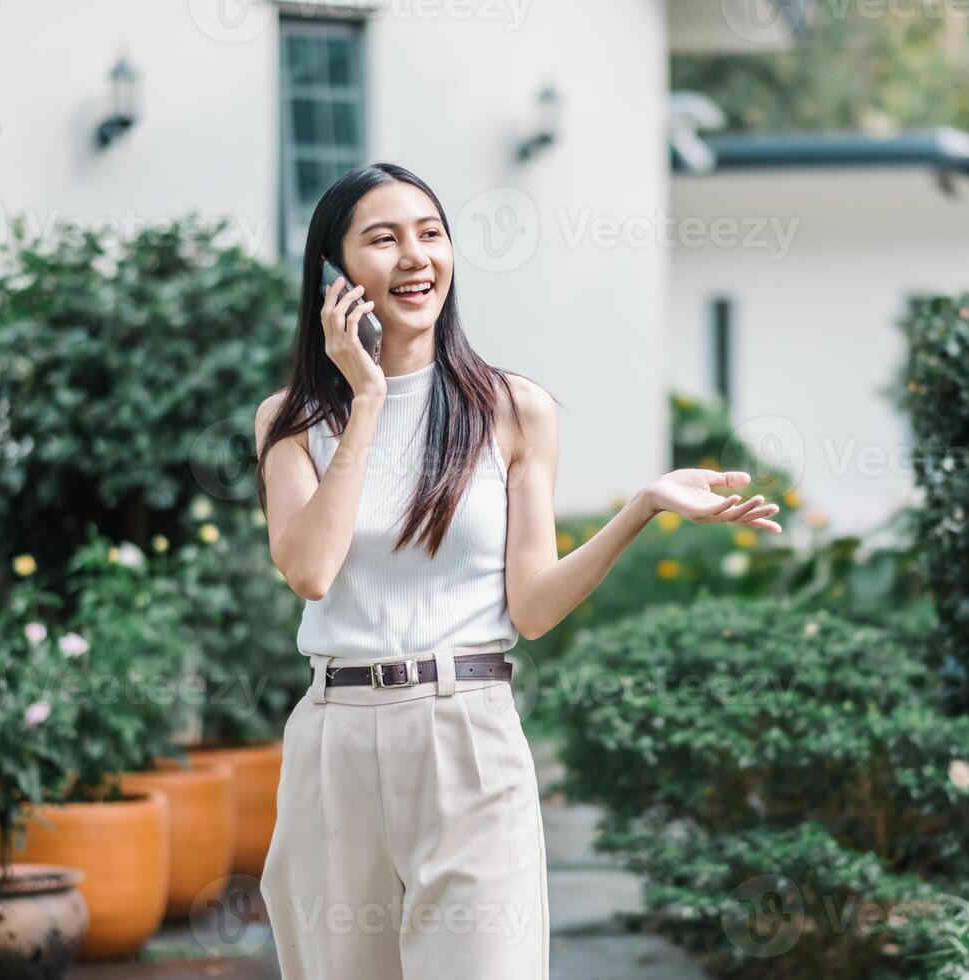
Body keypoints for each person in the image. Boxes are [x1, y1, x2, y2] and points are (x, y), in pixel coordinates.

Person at [252, 162, 781, 979]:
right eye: (383, 239)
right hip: (336, 743)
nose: (416, 257)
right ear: (333, 272)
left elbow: (530, 608)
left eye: (431, 234)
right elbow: (312, 570)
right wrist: (365, 400)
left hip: (468, 733)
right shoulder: (292, 422)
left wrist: (641, 507)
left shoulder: (510, 407)